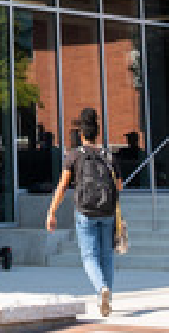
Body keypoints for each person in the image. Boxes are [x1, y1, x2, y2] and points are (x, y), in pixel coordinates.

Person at [45, 107, 121, 317]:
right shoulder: (108, 156)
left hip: (85, 212)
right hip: (107, 212)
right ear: (97, 132)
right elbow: (119, 186)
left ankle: (101, 289)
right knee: (107, 255)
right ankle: (107, 296)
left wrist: (52, 212)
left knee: (89, 256)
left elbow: (62, 186)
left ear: (81, 133)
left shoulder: (74, 156)